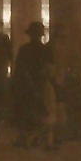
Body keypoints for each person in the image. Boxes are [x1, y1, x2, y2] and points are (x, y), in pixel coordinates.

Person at [9, 21, 54, 149]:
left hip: (26, 85)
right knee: (43, 112)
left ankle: (26, 138)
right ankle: (37, 139)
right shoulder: (46, 50)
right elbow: (49, 69)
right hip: (41, 84)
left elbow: (19, 69)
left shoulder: (24, 49)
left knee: (26, 112)